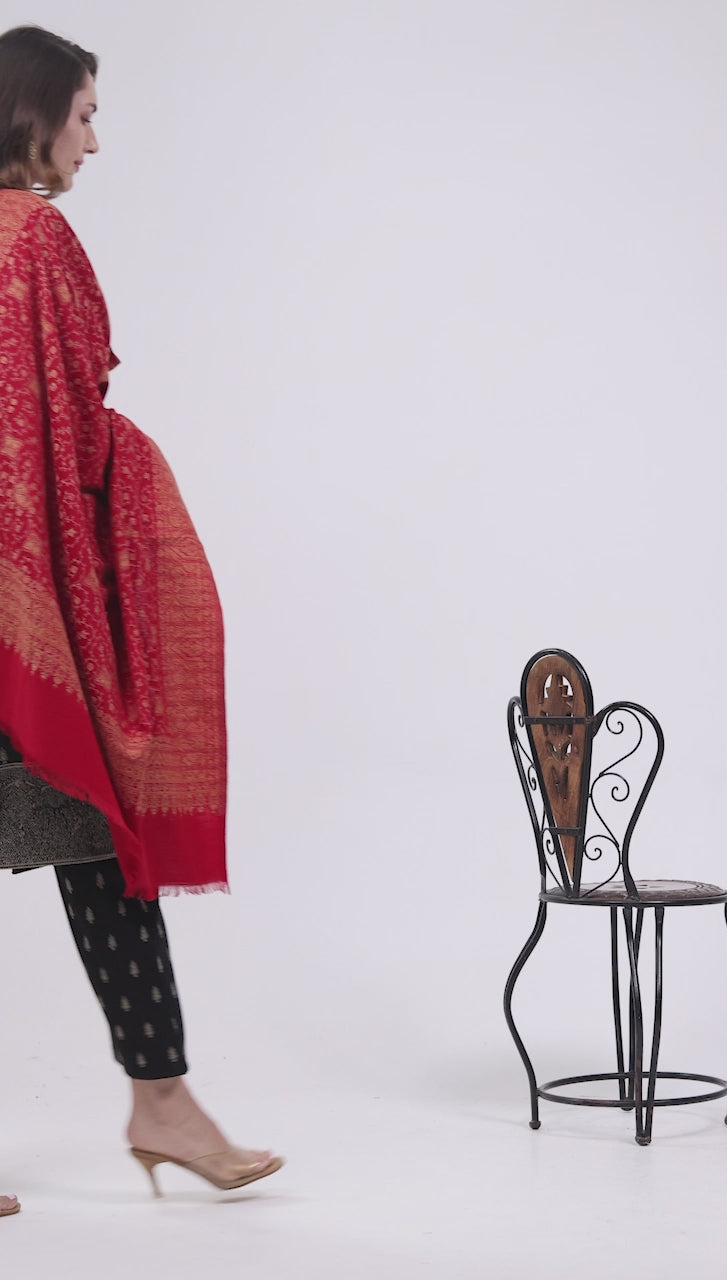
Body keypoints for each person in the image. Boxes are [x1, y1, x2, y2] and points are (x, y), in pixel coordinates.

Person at [0, 25, 283, 1216]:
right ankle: (161, 1097)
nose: (94, 140)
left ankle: (164, 1098)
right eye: (85, 115)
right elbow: (68, 417)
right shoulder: (36, 238)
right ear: (33, 116)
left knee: (85, 830)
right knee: (94, 833)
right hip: (20, 599)